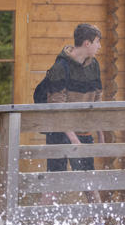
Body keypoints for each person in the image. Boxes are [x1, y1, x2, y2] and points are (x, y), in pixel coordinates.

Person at [42, 23, 104, 205]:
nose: (99, 46)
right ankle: (41, 224)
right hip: (60, 133)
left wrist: (100, 132)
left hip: (84, 131)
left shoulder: (94, 66)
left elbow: (97, 101)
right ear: (87, 43)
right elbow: (56, 106)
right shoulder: (60, 67)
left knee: (89, 180)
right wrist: (72, 137)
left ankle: (99, 222)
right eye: (97, 42)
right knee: (54, 180)